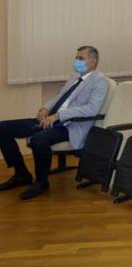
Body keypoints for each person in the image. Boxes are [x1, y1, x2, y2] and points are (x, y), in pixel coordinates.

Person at [0, 46, 109, 199]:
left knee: (39, 140)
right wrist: (46, 108)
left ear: (93, 62)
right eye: (76, 58)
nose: (76, 61)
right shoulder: (75, 76)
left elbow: (91, 109)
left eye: (80, 58)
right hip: (52, 119)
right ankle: (21, 174)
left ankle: (41, 182)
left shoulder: (100, 81)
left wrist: (58, 115)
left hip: (71, 125)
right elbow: (59, 97)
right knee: (3, 128)